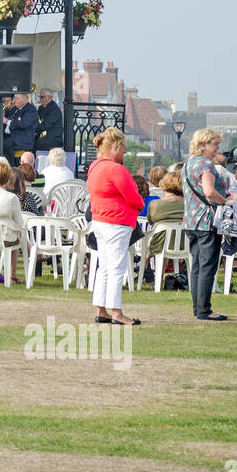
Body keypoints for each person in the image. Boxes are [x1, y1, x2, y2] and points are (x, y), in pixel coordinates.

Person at [87, 128, 144, 325]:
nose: (124, 153)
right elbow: (134, 198)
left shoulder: (95, 167)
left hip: (100, 220)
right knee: (116, 268)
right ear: (113, 147)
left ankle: (101, 309)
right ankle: (116, 313)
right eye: (122, 149)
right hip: (117, 222)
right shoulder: (117, 169)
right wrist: (139, 202)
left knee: (104, 266)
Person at [182, 128, 237, 322]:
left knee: (196, 266)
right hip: (207, 221)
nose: (217, 148)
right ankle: (204, 309)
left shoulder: (188, 163)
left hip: (190, 220)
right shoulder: (206, 165)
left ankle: (198, 308)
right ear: (204, 144)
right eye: (215, 144)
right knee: (208, 266)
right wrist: (225, 201)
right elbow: (209, 192)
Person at [4, 92, 39, 158]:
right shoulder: (17, 109)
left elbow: (23, 124)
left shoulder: (30, 109)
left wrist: (6, 121)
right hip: (14, 136)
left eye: (17, 98)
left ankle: (13, 164)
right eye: (14, 98)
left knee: (5, 144)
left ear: (24, 99)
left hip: (22, 139)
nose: (14, 101)